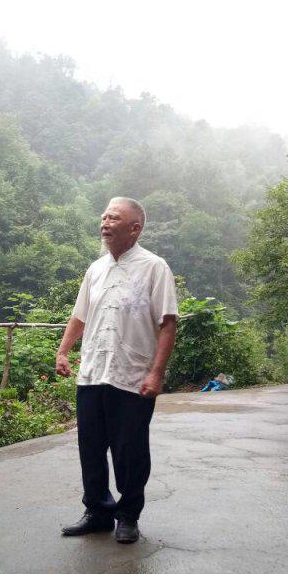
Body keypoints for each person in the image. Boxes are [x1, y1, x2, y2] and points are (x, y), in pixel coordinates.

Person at [56, 197, 178, 544]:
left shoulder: (155, 267)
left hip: (133, 375)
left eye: (113, 218)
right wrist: (63, 351)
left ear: (134, 228)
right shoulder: (96, 269)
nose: (105, 223)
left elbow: (168, 323)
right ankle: (97, 512)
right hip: (93, 372)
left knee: (130, 450)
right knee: (91, 447)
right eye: (104, 217)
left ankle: (128, 515)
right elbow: (79, 316)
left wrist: (156, 373)